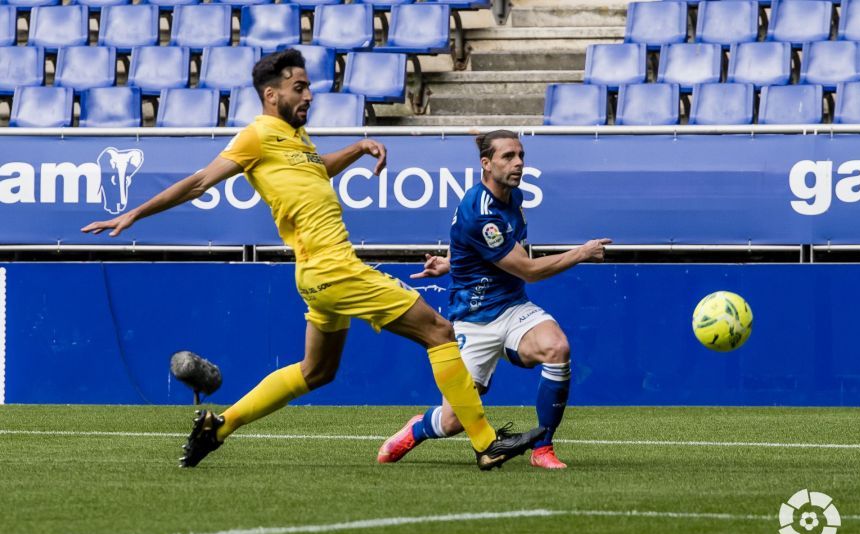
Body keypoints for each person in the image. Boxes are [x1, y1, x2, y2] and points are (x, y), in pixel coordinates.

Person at [81, 51, 543, 470]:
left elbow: (315, 168)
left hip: (316, 275)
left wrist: (359, 148)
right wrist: (136, 213)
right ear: (271, 93)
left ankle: (218, 428)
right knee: (439, 332)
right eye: (298, 88)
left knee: (316, 371)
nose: (309, 95)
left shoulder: (294, 137)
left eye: (308, 87)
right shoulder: (258, 135)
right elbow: (201, 182)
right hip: (334, 268)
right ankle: (485, 444)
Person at [377, 130, 611, 469]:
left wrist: (449, 262)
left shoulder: (512, 198)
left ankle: (542, 449)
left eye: (521, 155)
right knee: (453, 421)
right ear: (486, 164)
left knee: (556, 348)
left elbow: (484, 250)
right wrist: (582, 252)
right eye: (508, 157)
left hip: (513, 307)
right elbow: (528, 270)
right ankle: (418, 428)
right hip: (473, 319)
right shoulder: (480, 211)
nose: (518, 163)